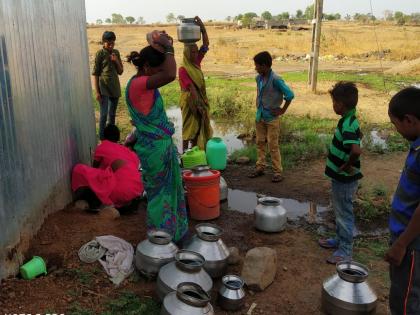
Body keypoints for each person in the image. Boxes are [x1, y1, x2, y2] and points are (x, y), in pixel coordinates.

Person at [125, 32, 188, 243]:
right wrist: (169, 47)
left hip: (158, 147)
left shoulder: (141, 82)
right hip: (154, 150)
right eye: (157, 69)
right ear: (147, 68)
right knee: (160, 195)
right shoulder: (138, 84)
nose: (160, 73)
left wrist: (162, 46)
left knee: (167, 192)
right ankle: (159, 240)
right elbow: (170, 74)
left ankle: (170, 234)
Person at [318, 81, 363, 264]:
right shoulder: (349, 120)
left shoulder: (347, 124)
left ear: (340, 105)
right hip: (340, 177)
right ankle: (339, 240)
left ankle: (345, 250)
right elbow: (359, 137)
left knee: (344, 213)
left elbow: (356, 150)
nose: (333, 105)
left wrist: (346, 165)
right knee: (339, 210)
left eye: (334, 102)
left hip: (345, 178)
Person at [385, 87, 420, 315]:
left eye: (395, 124)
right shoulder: (416, 144)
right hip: (406, 239)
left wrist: (401, 243)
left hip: (412, 245)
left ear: (409, 120)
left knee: (405, 302)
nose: (396, 130)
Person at [72, 124, 143, 209]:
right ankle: (127, 202)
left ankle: (107, 202)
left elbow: (95, 169)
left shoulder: (103, 146)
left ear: (104, 136)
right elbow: (134, 168)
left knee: (79, 169)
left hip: (119, 191)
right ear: (118, 138)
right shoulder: (128, 151)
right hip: (137, 189)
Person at [248, 51, 294, 182]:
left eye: (257, 65)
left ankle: (277, 171)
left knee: (273, 145)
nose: (255, 68)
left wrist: (282, 110)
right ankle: (260, 167)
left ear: (264, 65)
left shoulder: (276, 79)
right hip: (260, 115)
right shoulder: (259, 78)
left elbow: (290, 95)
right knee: (260, 142)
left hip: (272, 118)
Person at [178, 16, 213, 152]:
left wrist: (203, 29)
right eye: (192, 52)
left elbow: (205, 45)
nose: (195, 54)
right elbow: (191, 88)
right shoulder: (183, 69)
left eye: (195, 51)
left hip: (198, 98)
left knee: (198, 127)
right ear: (187, 53)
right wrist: (199, 106)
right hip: (189, 101)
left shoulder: (196, 61)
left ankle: (196, 153)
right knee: (188, 128)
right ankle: (184, 155)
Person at [92, 31, 124, 140]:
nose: (111, 45)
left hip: (114, 87)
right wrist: (97, 92)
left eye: (113, 43)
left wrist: (116, 61)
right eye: (108, 43)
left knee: (112, 115)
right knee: (103, 115)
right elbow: (96, 74)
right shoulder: (100, 54)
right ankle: (102, 139)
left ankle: (111, 140)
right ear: (103, 42)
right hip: (103, 88)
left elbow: (120, 71)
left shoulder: (116, 53)